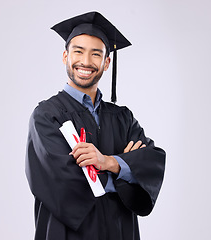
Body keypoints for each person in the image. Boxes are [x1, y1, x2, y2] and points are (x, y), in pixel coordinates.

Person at [25, 11, 166, 240]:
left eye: (96, 54)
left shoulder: (123, 118)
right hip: (69, 234)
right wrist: (123, 170)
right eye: (78, 51)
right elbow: (61, 182)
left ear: (106, 62)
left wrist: (108, 162)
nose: (86, 62)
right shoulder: (47, 116)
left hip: (121, 232)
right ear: (65, 56)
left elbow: (150, 162)